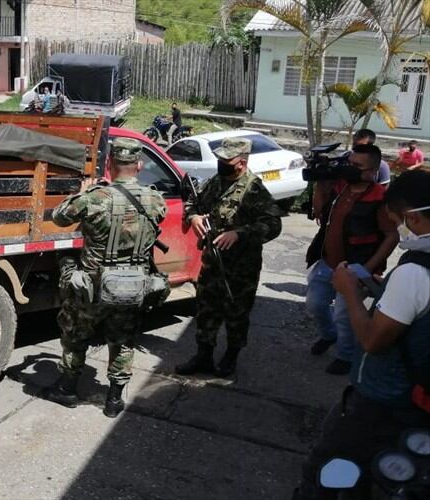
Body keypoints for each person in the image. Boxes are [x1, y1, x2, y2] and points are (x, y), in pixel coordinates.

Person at [293, 169, 430, 500]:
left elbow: (372, 339)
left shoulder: (414, 273)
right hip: (415, 397)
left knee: (331, 470)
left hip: (384, 402)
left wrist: (349, 292)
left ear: (412, 218)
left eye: (398, 220)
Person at [46, 138, 169, 418]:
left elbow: (59, 217)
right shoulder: (155, 200)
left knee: (76, 336)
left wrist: (84, 192)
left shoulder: (94, 199)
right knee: (123, 341)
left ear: (109, 165)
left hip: (93, 288)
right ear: (139, 166)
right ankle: (113, 400)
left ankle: (67, 389)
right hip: (132, 287)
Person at [176, 137, 282, 378]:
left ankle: (231, 357)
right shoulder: (216, 182)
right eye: (220, 159)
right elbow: (193, 202)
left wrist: (240, 234)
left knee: (237, 313)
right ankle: (203, 356)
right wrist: (193, 218)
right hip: (212, 261)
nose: (221, 163)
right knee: (206, 310)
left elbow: (273, 224)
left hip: (241, 267)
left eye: (227, 160)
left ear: (241, 163)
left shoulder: (254, 189)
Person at [305, 144, 398, 375]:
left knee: (344, 316)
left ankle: (346, 356)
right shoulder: (340, 188)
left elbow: (391, 236)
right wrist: (321, 182)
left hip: (356, 268)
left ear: (372, 171)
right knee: (315, 305)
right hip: (327, 263)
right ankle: (329, 336)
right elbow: (318, 212)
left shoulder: (380, 198)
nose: (350, 168)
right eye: (350, 163)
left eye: (358, 166)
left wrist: (366, 270)